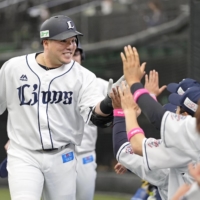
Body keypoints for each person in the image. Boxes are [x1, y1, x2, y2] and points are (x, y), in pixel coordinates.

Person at [0, 15, 122, 200]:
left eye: (73, 40)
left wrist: (108, 103)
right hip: (24, 154)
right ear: (46, 42)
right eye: (63, 41)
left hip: (63, 155)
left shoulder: (83, 76)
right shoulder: (13, 68)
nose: (70, 46)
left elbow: (95, 116)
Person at [73, 43, 108, 200]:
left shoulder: (96, 83)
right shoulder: (49, 84)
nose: (72, 57)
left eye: (76, 53)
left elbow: (122, 95)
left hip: (84, 155)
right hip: (58, 154)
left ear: (81, 57)